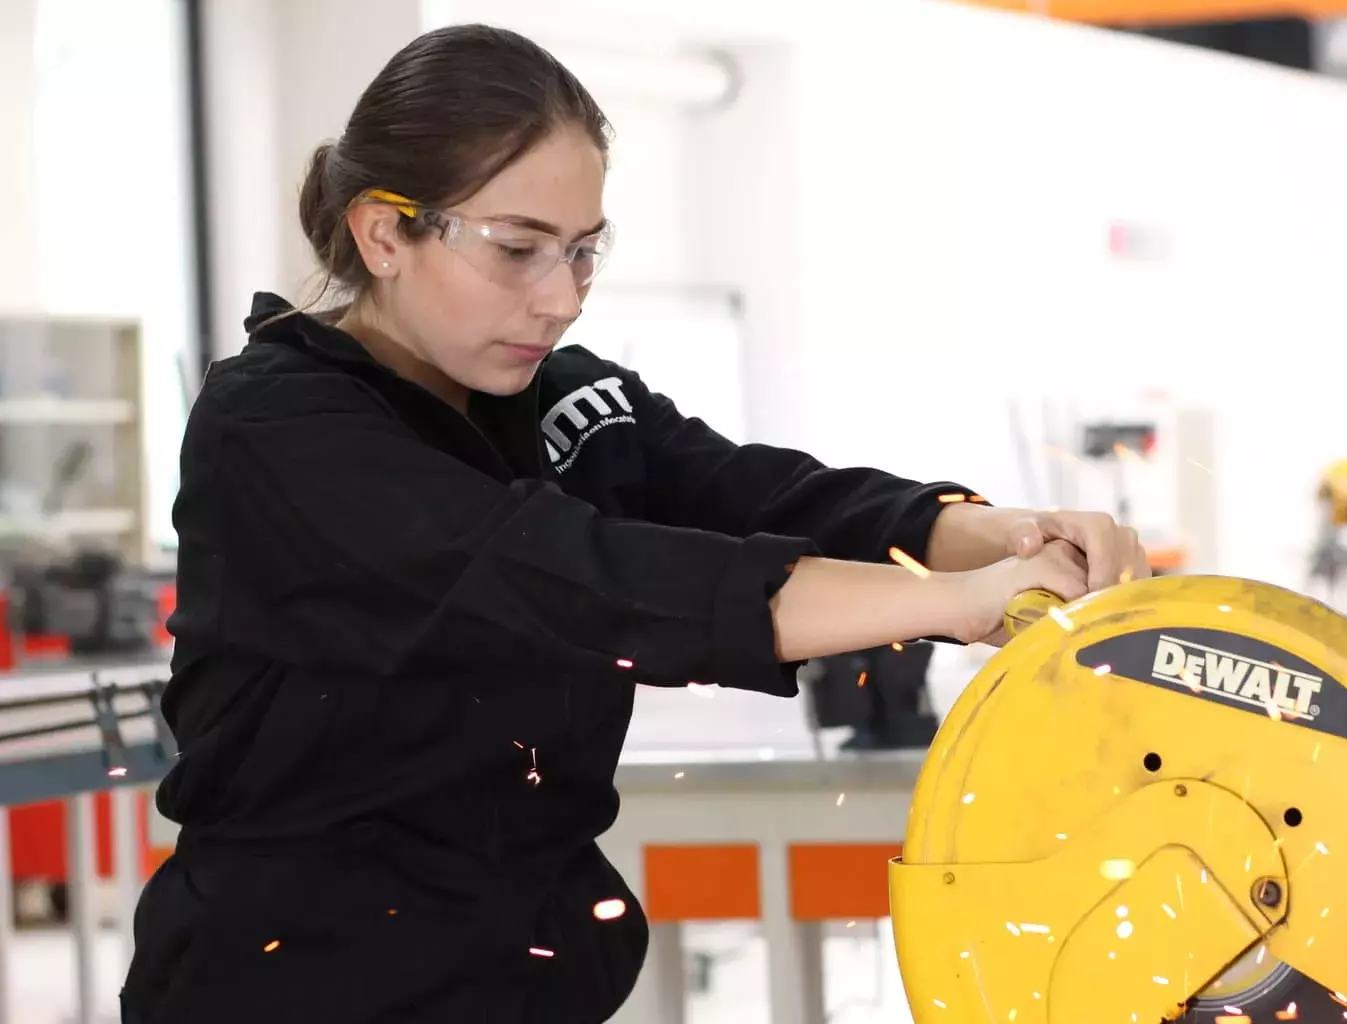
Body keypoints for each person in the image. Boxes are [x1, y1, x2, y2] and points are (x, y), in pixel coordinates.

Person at [120, 23, 1149, 1024]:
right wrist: (952, 605)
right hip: (300, 986)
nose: (561, 298)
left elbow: (757, 492)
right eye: (518, 250)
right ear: (383, 231)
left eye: (581, 252)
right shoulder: (278, 424)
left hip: (521, 977)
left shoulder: (564, 397)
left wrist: (996, 534)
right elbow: (578, 578)